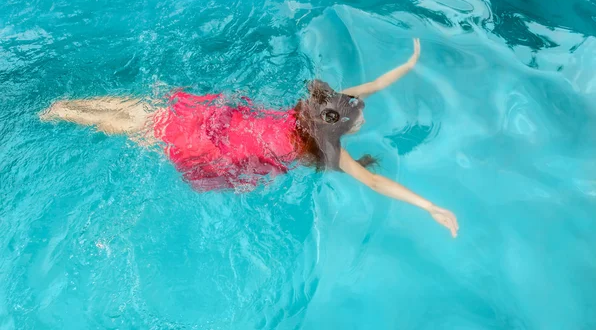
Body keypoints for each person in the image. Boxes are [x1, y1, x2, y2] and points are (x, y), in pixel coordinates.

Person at [40, 39, 459, 237]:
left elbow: (369, 87)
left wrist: (408, 64)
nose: (360, 117)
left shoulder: (317, 110)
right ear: (338, 129)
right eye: (357, 121)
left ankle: (63, 107)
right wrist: (431, 206)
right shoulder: (329, 147)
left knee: (148, 113)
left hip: (220, 122)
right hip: (217, 146)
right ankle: (65, 114)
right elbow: (375, 181)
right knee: (148, 130)